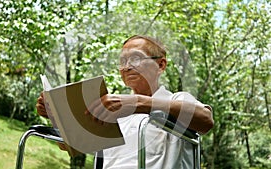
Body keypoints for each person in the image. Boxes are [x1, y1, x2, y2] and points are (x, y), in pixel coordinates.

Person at [36, 35, 214, 168]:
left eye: (136, 59)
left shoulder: (175, 100)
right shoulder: (113, 111)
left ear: (161, 65)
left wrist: (139, 103)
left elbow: (206, 120)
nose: (127, 66)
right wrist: (56, 117)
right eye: (122, 61)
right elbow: (72, 146)